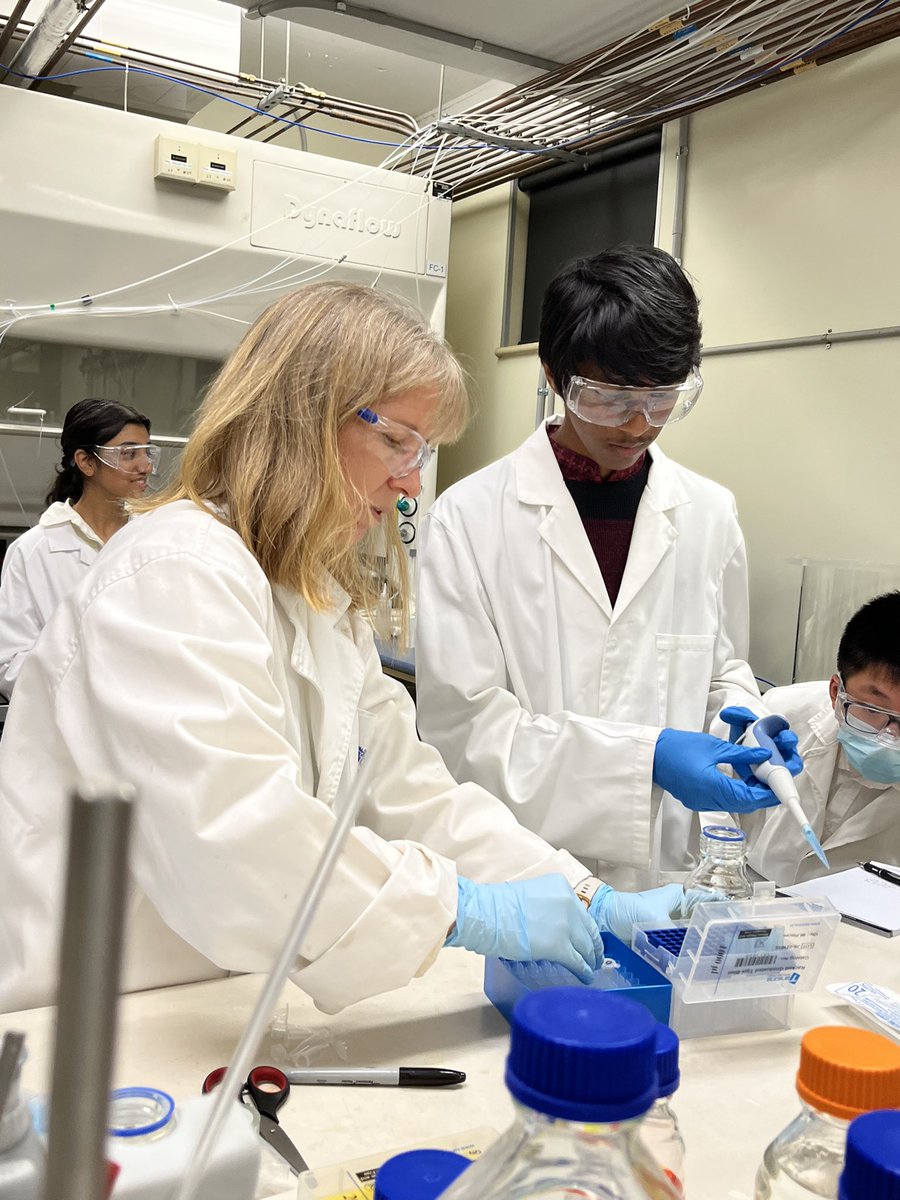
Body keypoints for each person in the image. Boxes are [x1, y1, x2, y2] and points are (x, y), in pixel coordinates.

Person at [0, 282, 701, 1016]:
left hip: (221, 1007)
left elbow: (412, 794)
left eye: (422, 451)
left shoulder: (318, 602)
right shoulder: (174, 570)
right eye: (398, 441)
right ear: (299, 418)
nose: (409, 483)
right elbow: (237, 839)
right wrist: (461, 910)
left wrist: (584, 894)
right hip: (97, 1022)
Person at [415, 245, 799, 890]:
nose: (639, 424)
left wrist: (744, 727)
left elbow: (720, 669)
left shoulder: (709, 512)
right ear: (553, 375)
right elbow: (465, 729)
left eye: (661, 397)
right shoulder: (470, 517)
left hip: (664, 871)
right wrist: (643, 760)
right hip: (520, 867)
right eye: (609, 398)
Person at [735, 592, 900, 884]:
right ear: (836, 692)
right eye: (873, 709)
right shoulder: (779, 715)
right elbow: (713, 831)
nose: (890, 736)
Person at [0, 397, 157, 697]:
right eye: (128, 454)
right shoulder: (34, 551)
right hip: (68, 727)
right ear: (86, 462)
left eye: (147, 452)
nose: (145, 466)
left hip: (146, 721)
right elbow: (10, 663)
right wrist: (93, 691)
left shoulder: (154, 539)